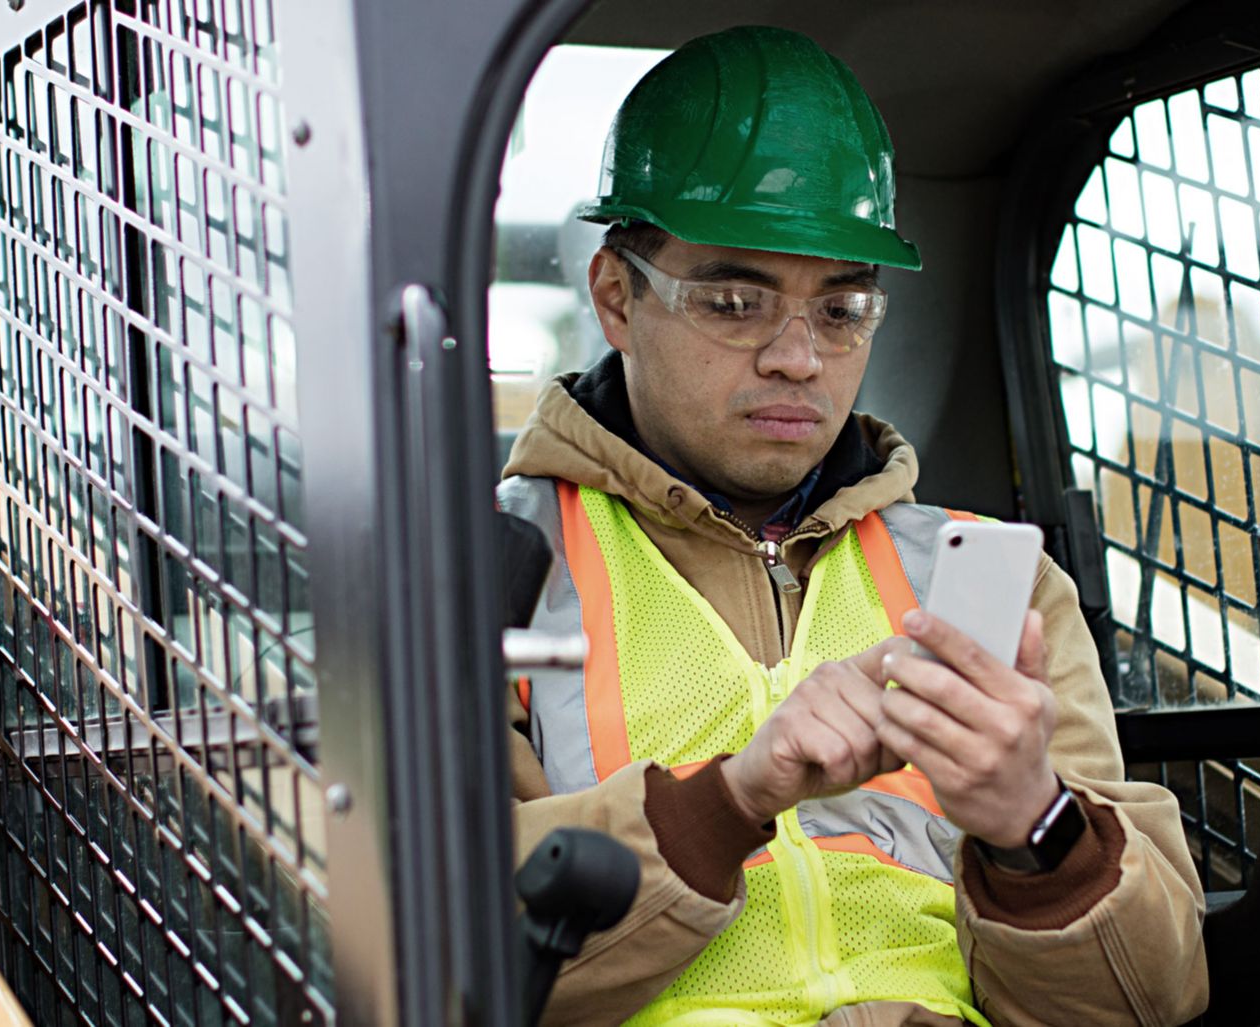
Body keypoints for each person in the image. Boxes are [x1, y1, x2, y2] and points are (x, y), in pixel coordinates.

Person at [498, 25, 1208, 1026]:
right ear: (616, 297)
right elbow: (442, 965)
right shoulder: (484, 578)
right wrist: (731, 801)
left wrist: (1034, 833)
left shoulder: (994, 587)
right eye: (736, 301)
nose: (797, 358)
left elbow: (1148, 1001)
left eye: (840, 311)